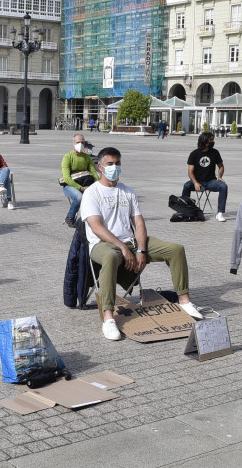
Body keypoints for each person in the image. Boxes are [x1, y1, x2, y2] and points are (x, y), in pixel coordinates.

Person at [80, 146, 204, 341]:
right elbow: (96, 227)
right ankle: (108, 317)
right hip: (103, 244)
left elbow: (138, 222)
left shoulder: (128, 191)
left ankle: (184, 301)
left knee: (176, 250)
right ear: (100, 167)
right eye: (110, 164)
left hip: (130, 241)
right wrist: (122, 247)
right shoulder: (92, 193)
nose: (114, 168)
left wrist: (140, 249)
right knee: (111, 257)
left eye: (117, 163)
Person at [181, 132, 228, 222]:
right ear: (205, 142)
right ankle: (185, 211)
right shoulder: (194, 154)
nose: (213, 142)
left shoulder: (215, 152)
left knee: (223, 186)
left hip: (211, 181)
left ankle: (220, 213)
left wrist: (220, 176)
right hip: (197, 181)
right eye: (211, 140)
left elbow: (221, 166)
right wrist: (195, 182)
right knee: (186, 186)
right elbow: (190, 172)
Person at [60, 134, 99, 228]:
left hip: (85, 183)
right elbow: (67, 178)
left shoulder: (86, 157)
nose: (80, 144)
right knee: (79, 197)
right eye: (78, 142)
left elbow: (94, 172)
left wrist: (98, 184)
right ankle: (70, 217)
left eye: (82, 142)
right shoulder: (67, 157)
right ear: (73, 143)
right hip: (70, 185)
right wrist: (80, 188)